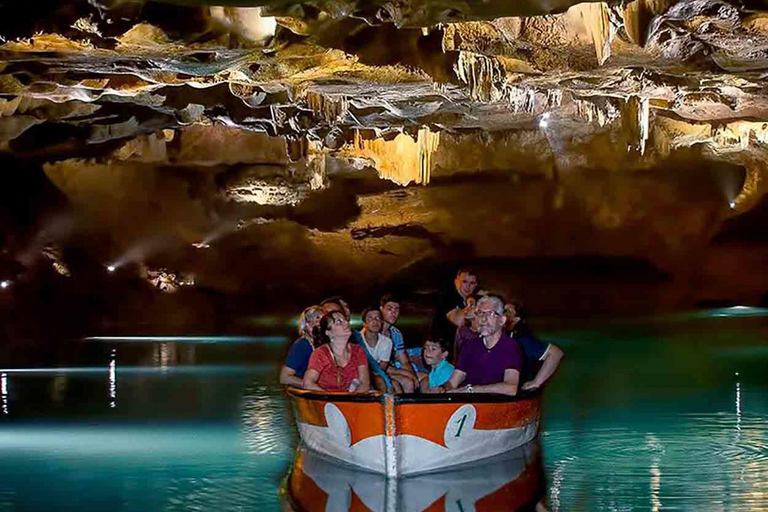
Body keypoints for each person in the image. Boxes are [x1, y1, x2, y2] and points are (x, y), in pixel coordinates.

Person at [440, 294, 522, 396]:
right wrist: (442, 389)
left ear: (502, 320)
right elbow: (453, 382)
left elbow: (510, 388)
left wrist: (471, 390)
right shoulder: (469, 346)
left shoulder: (510, 347)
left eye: (490, 314)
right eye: (479, 313)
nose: (483, 319)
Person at [303, 311, 370, 393]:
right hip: (326, 402)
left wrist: (350, 401)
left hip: (353, 401)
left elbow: (365, 383)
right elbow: (308, 383)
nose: (346, 322)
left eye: (345, 320)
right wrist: (331, 399)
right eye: (339, 321)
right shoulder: (320, 353)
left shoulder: (358, 351)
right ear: (328, 332)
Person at [505, 302, 564, 391]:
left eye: (507, 311)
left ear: (516, 319)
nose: (502, 313)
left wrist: (536, 382)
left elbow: (555, 353)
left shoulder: (521, 339)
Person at [431, 268, 479, 351]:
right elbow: (459, 321)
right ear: (456, 282)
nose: (468, 286)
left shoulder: (470, 300)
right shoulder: (447, 297)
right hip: (442, 350)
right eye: (464, 282)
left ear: (476, 285)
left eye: (472, 283)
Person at [380, 294, 418, 393]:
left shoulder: (395, 333)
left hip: (391, 369)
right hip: (376, 371)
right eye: (390, 309)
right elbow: (375, 364)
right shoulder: (374, 331)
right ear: (381, 309)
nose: (393, 313)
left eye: (396, 309)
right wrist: (407, 374)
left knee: (423, 379)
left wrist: (412, 374)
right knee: (407, 382)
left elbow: (404, 361)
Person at [279, 305, 323, 387]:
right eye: (317, 318)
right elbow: (284, 377)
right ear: (308, 325)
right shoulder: (302, 345)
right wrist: (308, 385)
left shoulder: (328, 344)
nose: (321, 322)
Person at [359, 307, 394, 392]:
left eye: (377, 318)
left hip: (375, 374)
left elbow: (380, 368)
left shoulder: (387, 342)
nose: (375, 321)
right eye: (370, 318)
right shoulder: (356, 339)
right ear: (364, 323)